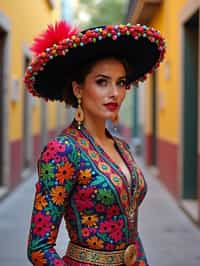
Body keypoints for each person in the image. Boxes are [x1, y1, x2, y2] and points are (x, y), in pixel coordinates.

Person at [25, 21, 166, 266]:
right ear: (78, 89)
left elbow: (131, 229)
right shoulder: (64, 150)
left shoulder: (122, 147)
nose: (115, 93)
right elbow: (39, 248)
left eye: (121, 82)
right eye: (102, 82)